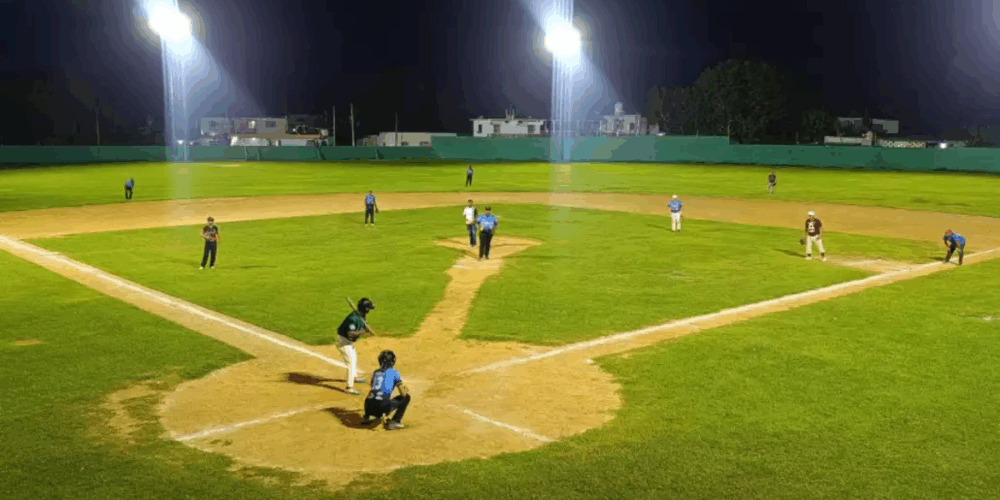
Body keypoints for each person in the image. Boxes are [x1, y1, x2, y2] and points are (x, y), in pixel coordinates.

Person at [359, 350, 411, 430]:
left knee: (373, 396)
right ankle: (395, 422)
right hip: (381, 407)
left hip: (368, 407)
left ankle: (366, 418)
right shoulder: (394, 372)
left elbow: (373, 387)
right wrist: (406, 389)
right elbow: (403, 393)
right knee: (406, 397)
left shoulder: (375, 372)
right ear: (393, 361)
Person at [337, 298, 375, 395]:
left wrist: (365, 327)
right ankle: (349, 387)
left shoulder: (362, 316)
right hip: (343, 341)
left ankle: (354, 376)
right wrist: (364, 331)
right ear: (365, 309)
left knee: (354, 358)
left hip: (349, 342)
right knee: (351, 362)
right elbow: (350, 334)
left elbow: (361, 327)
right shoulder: (353, 318)